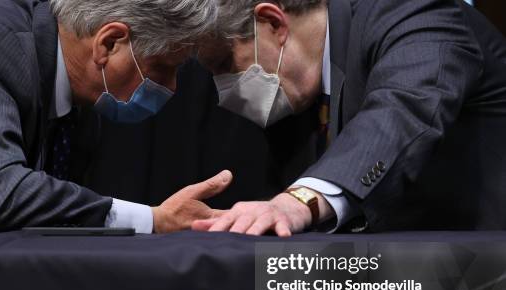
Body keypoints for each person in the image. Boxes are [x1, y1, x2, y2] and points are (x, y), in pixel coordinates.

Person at [0, 0, 232, 232]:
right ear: (110, 43)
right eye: (161, 67)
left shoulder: (81, 102)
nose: (171, 87)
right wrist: (152, 219)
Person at [194, 0, 506, 236]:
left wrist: (297, 202)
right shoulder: (297, 91)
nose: (223, 89)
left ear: (273, 22)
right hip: (391, 283)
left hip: (479, 281)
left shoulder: (411, 12)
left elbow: (400, 114)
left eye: (224, 62)